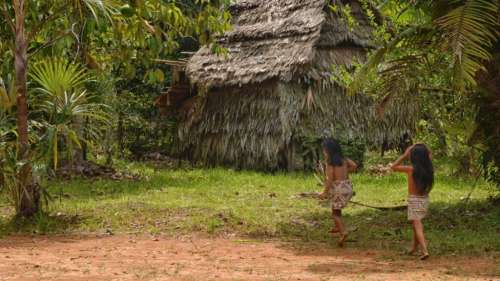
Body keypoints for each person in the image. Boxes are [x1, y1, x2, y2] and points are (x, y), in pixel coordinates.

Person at [389, 143, 434, 260]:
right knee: (415, 225)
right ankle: (414, 248)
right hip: (424, 200)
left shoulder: (410, 169)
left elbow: (393, 167)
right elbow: (429, 154)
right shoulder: (429, 169)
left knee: (417, 225)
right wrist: (421, 145)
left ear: (413, 157)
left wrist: (404, 155)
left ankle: (424, 250)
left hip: (414, 200)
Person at [319, 138, 357, 247]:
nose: (323, 152)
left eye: (324, 150)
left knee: (335, 214)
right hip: (347, 187)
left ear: (328, 150)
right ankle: (337, 227)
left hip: (338, 189)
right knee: (336, 207)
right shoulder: (343, 159)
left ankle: (343, 232)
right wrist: (344, 172)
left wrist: (324, 192)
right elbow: (354, 166)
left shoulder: (330, 162)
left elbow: (330, 180)